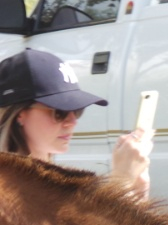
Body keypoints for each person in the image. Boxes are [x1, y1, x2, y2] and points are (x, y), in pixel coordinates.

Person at [0, 49, 152, 198]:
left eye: (77, 110)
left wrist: (136, 196)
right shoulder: (7, 191)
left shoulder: (58, 184)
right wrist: (122, 182)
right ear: (20, 114)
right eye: (60, 112)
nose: (72, 122)